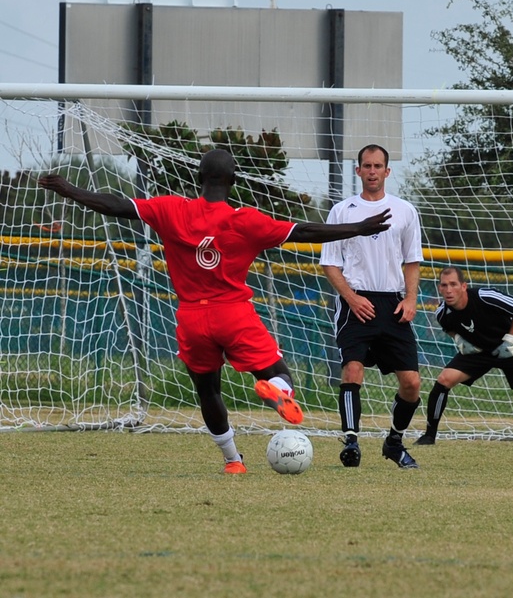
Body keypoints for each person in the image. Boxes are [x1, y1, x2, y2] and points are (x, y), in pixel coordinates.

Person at [38, 149, 391, 474]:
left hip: (192, 317)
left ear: (198, 179)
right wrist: (357, 228)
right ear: (234, 182)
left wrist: (70, 189)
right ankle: (278, 391)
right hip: (233, 314)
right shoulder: (246, 220)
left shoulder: (172, 209)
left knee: (208, 391)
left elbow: (116, 205)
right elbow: (305, 231)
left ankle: (233, 461)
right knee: (278, 372)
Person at [320, 144, 423, 469]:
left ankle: (394, 442)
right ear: (359, 171)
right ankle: (351, 442)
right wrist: (351, 297)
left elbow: (412, 261)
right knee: (352, 370)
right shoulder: (342, 211)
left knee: (412, 383)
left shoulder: (405, 210)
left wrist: (410, 299)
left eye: (378, 165)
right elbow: (330, 264)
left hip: (393, 304)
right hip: (357, 302)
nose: (373, 171)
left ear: (387, 171)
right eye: (367, 165)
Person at [416, 265, 513, 449]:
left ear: (464, 286)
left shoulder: (486, 296)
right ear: (439, 288)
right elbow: (448, 327)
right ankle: (429, 436)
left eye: (453, 284)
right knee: (444, 380)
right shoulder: (442, 312)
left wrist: (511, 338)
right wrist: (459, 339)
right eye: (444, 285)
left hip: (507, 346)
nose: (448, 290)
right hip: (478, 352)